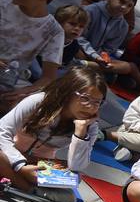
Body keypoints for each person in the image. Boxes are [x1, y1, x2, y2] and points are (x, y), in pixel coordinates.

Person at [0, 66, 104, 194]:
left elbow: (77, 167)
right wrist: (20, 165)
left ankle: (14, 177)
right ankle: (30, 189)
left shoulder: (90, 126)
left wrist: (80, 132)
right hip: (9, 153)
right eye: (85, 98)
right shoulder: (40, 101)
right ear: (68, 92)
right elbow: (2, 131)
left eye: (97, 102)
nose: (90, 107)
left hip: (39, 164)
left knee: (75, 178)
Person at [0, 0, 67, 103]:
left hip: (9, 81)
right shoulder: (2, 5)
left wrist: (23, 94)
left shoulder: (53, 31)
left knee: (36, 108)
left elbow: (48, 77)